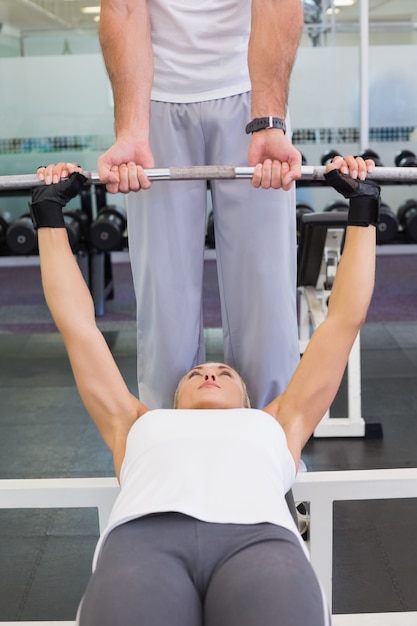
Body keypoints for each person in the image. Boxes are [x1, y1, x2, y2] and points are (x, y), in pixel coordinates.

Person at [32, 155, 379, 625]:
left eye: (223, 373)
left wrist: (364, 207)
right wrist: (49, 215)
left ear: (247, 402)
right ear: (173, 402)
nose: (209, 374)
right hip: (144, 541)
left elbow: (342, 322)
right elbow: (78, 328)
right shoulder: (136, 423)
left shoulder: (279, 422)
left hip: (259, 541)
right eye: (196, 374)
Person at [91, 0, 305, 410]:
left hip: (249, 93)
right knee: (162, 296)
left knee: (266, 292)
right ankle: (165, 443)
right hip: (153, 100)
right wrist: (133, 130)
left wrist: (269, 121)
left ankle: (273, 447)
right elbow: (122, 7)